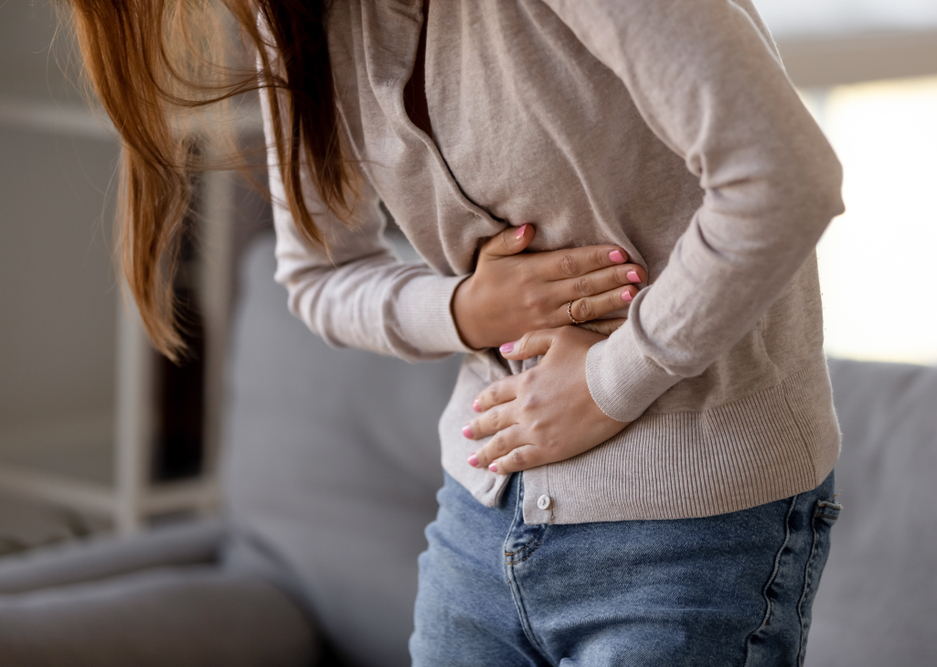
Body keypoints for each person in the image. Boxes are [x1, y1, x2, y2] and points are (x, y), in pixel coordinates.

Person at [67, 0, 845, 664]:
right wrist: (469, 309)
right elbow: (316, 273)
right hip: (479, 521)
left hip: (691, 532)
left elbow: (784, 178)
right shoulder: (297, 15)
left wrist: (613, 380)